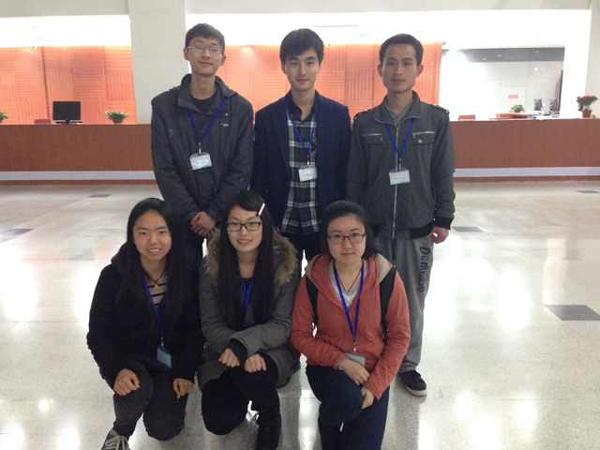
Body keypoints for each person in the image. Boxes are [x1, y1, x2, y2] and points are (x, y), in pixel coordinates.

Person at [346, 33, 455, 397]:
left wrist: (444, 216)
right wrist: (354, 224)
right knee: (370, 299)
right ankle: (373, 358)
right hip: (374, 231)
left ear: (419, 69)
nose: (398, 70)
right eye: (391, 63)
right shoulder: (365, 123)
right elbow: (355, 178)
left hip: (416, 230)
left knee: (411, 300)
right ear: (380, 69)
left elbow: (443, 172)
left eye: (407, 63)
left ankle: (407, 364)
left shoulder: (435, 120)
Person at [291, 200, 410, 450]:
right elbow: (300, 335)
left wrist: (375, 386)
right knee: (346, 401)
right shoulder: (313, 277)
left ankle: (341, 416)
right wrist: (342, 362)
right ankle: (328, 422)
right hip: (328, 367)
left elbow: (400, 337)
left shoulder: (386, 276)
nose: (346, 244)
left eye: (355, 235)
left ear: (366, 237)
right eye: (337, 236)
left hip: (373, 370)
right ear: (326, 240)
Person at [87, 198, 202, 450]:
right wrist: (116, 369)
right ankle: (120, 431)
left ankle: (157, 397)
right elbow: (98, 333)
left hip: (169, 361)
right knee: (136, 392)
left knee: (164, 427)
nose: (153, 241)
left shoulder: (187, 274)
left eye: (162, 232)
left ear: (173, 234)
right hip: (130, 359)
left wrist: (185, 370)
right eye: (143, 233)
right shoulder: (113, 276)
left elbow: (195, 328)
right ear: (132, 236)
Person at [198, 190, 299, 450]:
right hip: (223, 350)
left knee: (254, 375)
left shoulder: (285, 263)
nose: (243, 232)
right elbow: (210, 325)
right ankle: (243, 388)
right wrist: (238, 348)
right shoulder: (211, 265)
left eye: (252, 224)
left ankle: (270, 414)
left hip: (271, 349)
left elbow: (282, 325)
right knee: (219, 421)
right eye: (235, 224)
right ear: (225, 227)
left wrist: (244, 346)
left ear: (264, 224)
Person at [151, 23, 253, 270]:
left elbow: (242, 167)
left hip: (227, 213)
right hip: (181, 215)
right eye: (198, 47)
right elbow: (164, 168)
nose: (206, 54)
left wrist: (214, 213)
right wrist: (191, 214)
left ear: (222, 58)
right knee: (183, 277)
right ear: (186, 53)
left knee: (227, 276)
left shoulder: (239, 108)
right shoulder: (164, 106)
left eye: (213, 48)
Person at [252, 28, 351, 270]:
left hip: (324, 222)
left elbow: (345, 170)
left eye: (309, 62)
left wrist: (343, 218)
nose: (302, 71)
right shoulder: (267, 117)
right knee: (282, 287)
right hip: (282, 223)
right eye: (294, 63)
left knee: (325, 284)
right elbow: (259, 175)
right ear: (284, 66)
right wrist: (264, 219)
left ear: (320, 65)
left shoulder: (338, 115)